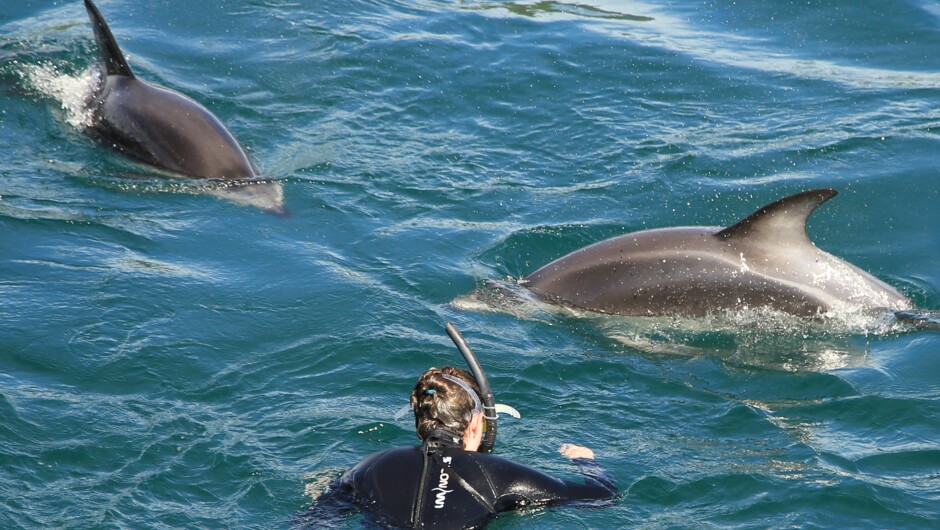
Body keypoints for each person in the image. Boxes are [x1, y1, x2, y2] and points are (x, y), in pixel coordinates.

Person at [300, 365, 617, 529]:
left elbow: (316, 521)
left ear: (419, 421)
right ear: (478, 424)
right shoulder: (498, 475)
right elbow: (603, 498)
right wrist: (588, 462)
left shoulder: (370, 466)